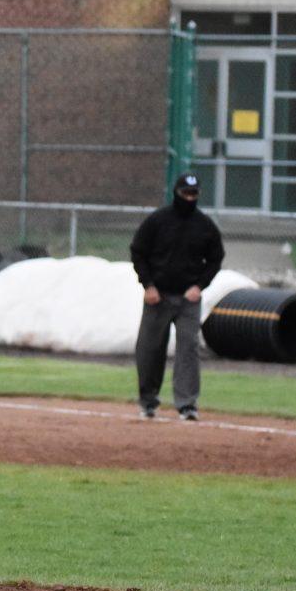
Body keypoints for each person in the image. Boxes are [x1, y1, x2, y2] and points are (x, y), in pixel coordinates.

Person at [130, 173, 224, 422]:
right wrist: (148, 285)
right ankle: (148, 401)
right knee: (149, 349)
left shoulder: (204, 225)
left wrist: (200, 286)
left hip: (187, 300)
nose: (190, 198)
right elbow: (138, 251)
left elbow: (215, 258)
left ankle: (187, 404)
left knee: (188, 350)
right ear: (177, 193)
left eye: (194, 194)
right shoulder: (158, 221)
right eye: (186, 194)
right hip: (157, 297)